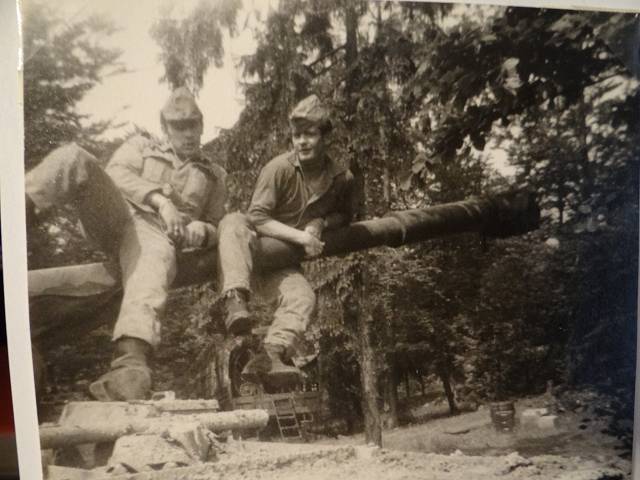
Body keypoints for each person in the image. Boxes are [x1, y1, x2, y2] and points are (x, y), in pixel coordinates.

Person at [25, 87, 226, 401]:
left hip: (157, 236)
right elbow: (116, 174)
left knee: (152, 256)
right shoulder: (141, 146)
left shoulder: (214, 175)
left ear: (201, 126)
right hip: (117, 217)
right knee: (74, 157)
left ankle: (129, 362)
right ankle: (14, 213)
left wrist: (204, 228)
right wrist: (160, 200)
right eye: (178, 126)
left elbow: (217, 225)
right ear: (165, 127)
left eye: (193, 125)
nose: (187, 133)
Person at [216, 94, 356, 387]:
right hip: (250, 249)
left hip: (280, 262)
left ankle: (270, 355)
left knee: (303, 297)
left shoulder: (340, 178)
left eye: (310, 134)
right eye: (297, 135)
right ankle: (234, 302)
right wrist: (301, 236)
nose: (302, 142)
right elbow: (257, 217)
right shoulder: (278, 168)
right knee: (232, 223)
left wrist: (320, 222)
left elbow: (345, 215)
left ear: (324, 136)